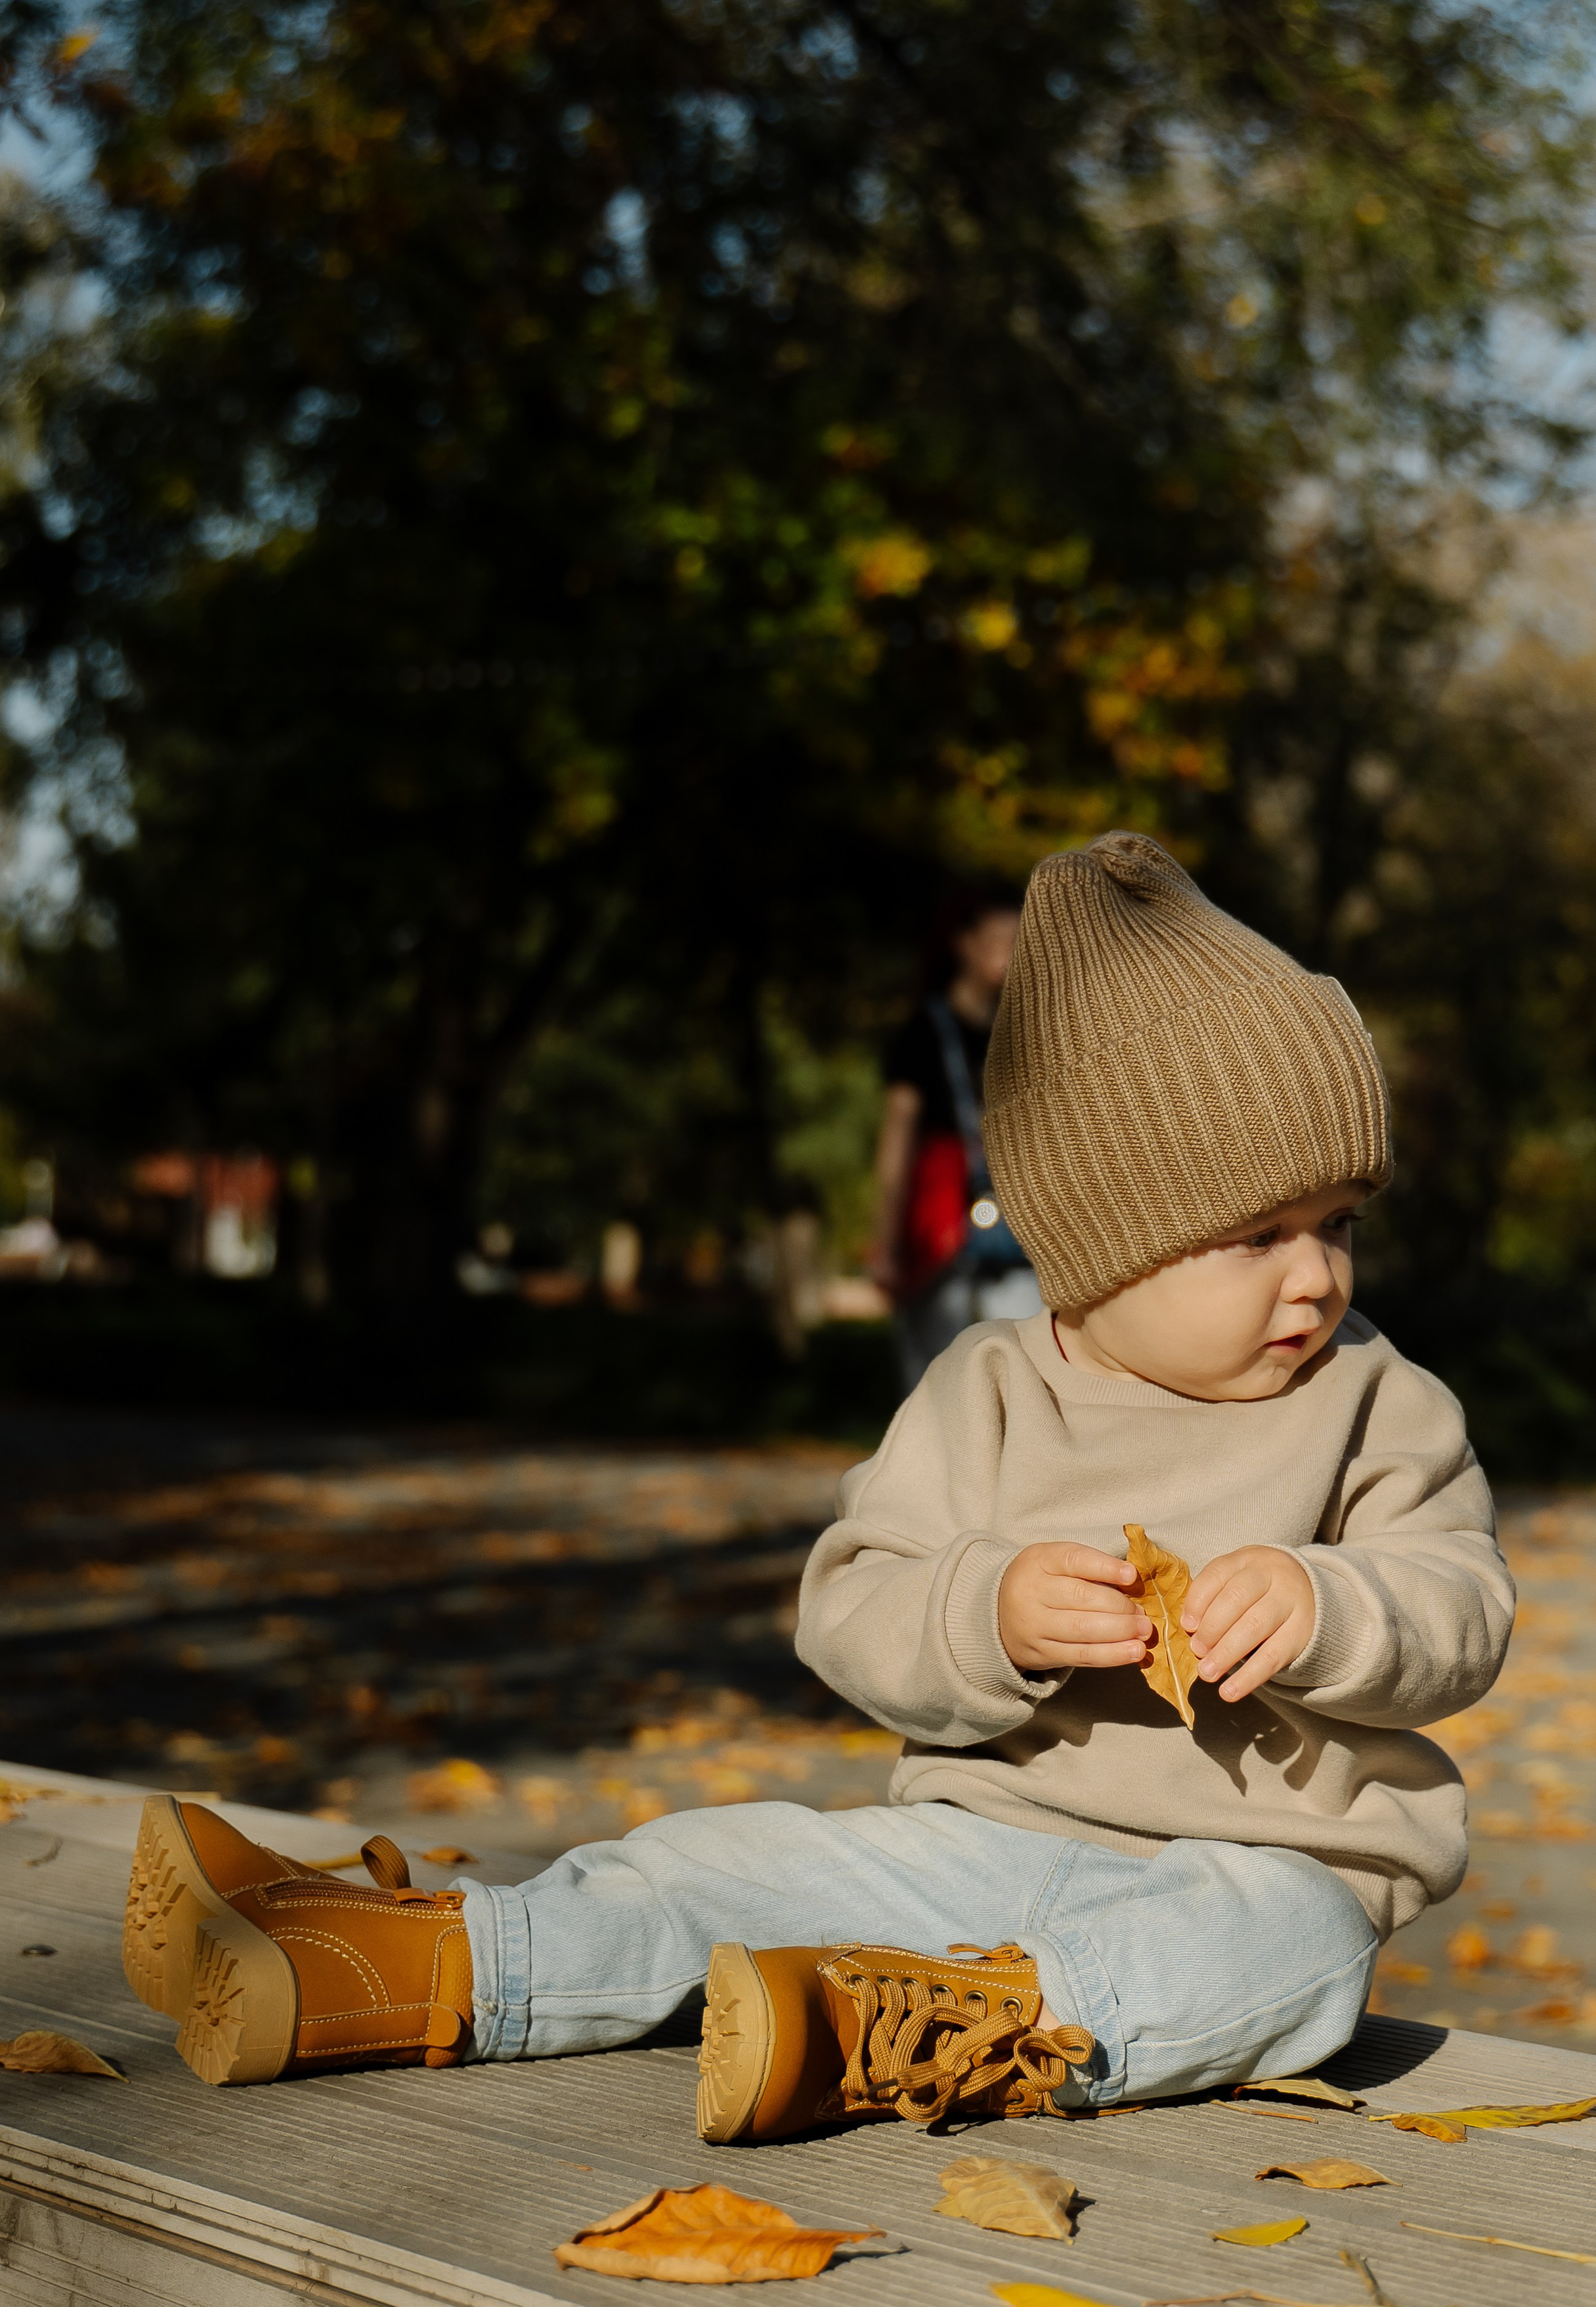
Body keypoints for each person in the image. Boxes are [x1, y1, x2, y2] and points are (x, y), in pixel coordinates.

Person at [122, 830, 1513, 2147]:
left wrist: (1333, 1606)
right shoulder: (987, 1392)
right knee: (713, 1862)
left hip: (1252, 1867)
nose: (1316, 1275)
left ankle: (904, 2029)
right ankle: (414, 1961)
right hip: (978, 1842)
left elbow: (1459, 1602)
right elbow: (851, 1605)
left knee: (1300, 1956)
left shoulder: (1372, 1398)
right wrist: (988, 1616)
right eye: (1257, 1235)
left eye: (1337, 1223)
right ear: (1101, 1242)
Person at [871, 887, 1039, 1391]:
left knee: (1023, 1371)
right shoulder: (923, 1032)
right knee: (935, 1380)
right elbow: (897, 1138)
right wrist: (884, 1240)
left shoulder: (1028, 1033)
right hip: (938, 1228)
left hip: (1016, 1229)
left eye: (1019, 940)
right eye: (1000, 938)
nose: (1011, 952)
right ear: (964, 943)